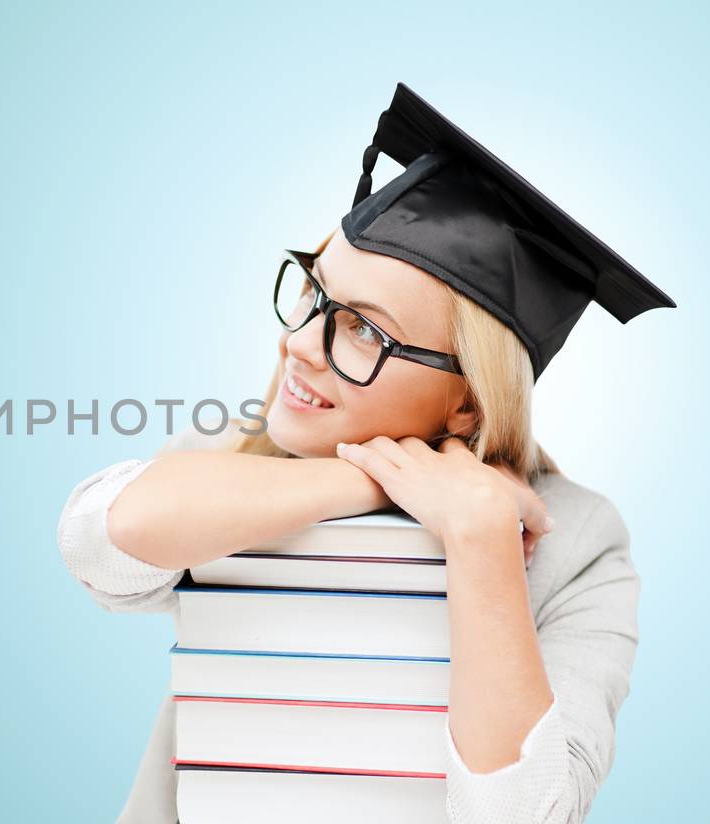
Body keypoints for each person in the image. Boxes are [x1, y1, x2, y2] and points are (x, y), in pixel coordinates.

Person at [56, 83, 675, 823]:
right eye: (315, 295)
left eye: (362, 332)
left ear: (470, 401)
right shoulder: (238, 460)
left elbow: (525, 813)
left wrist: (479, 535)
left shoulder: (577, 542)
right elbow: (100, 541)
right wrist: (371, 478)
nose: (297, 344)